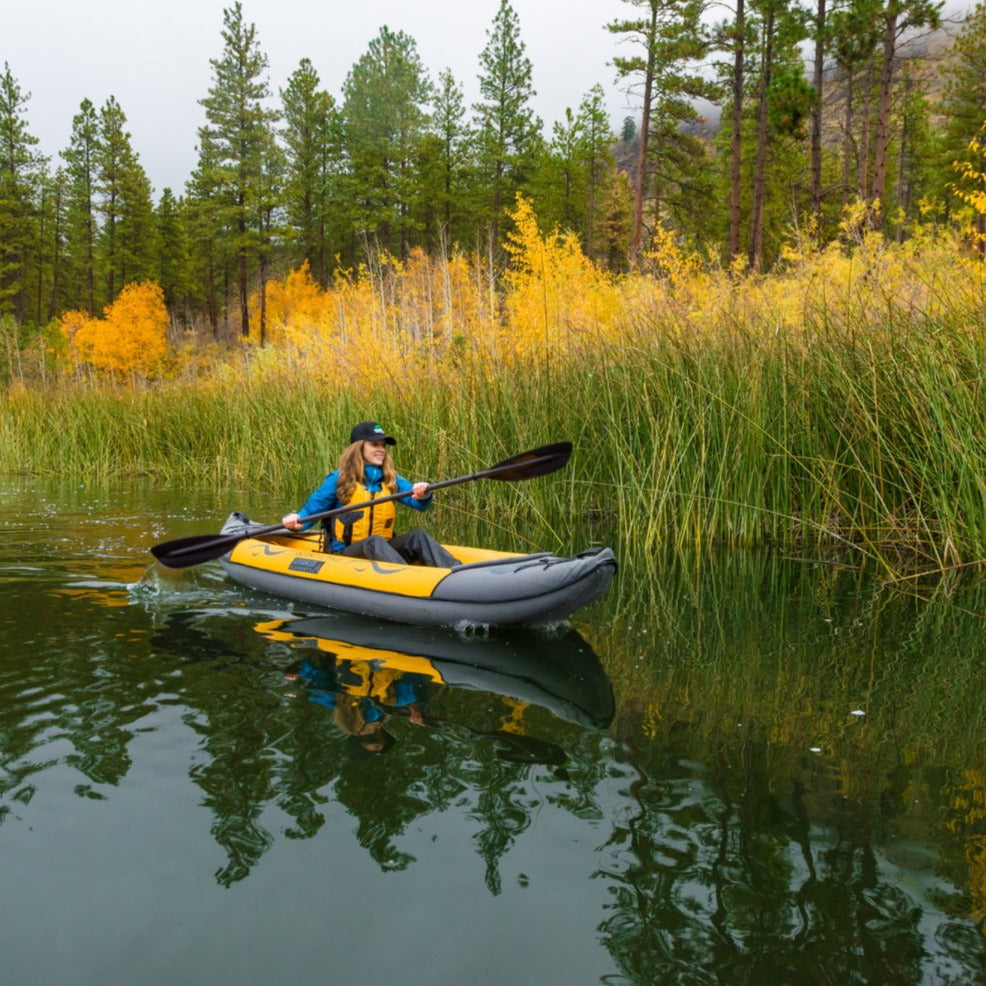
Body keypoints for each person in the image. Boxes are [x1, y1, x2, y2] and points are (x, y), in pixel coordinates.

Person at [281, 421, 459, 567]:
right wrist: (296, 521)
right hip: (346, 555)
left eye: (383, 445)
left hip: (383, 549)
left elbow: (418, 503)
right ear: (358, 448)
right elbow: (311, 511)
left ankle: (455, 572)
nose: (381, 449)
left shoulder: (390, 479)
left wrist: (423, 493)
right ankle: (406, 579)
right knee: (373, 542)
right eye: (374, 444)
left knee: (417, 536)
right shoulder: (338, 479)